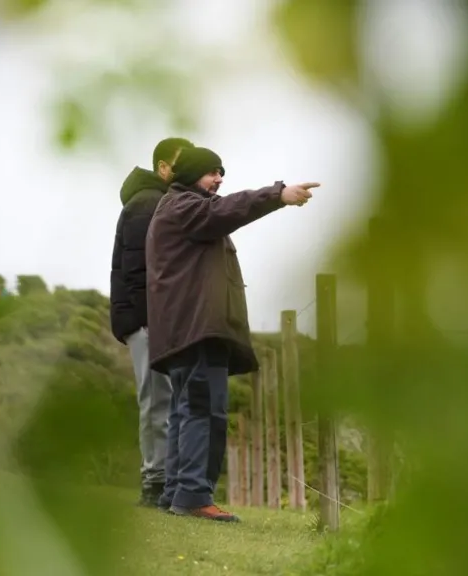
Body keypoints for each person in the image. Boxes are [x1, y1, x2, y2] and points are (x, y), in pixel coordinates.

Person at [145, 146, 319, 522]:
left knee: (187, 410)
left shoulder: (179, 210)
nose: (220, 179)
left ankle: (177, 492)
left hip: (186, 330)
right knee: (205, 410)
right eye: (212, 172)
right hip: (196, 329)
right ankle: (192, 495)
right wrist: (278, 194)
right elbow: (226, 210)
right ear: (190, 174)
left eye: (222, 172)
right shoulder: (185, 207)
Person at [109, 136, 194, 508]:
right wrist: (150, 322)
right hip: (149, 320)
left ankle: (163, 480)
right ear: (162, 167)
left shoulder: (160, 202)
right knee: (157, 399)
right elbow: (138, 270)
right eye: (181, 163)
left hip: (159, 318)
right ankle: (154, 483)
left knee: (164, 399)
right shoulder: (148, 204)